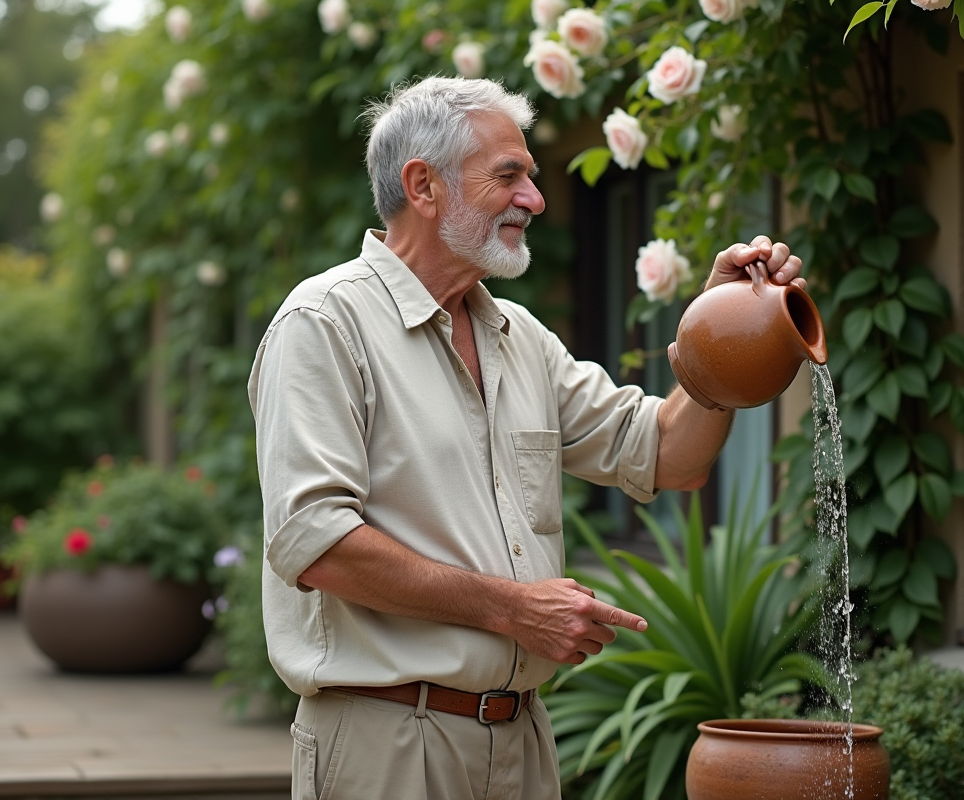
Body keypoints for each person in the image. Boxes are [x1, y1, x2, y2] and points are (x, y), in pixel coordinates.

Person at [248, 77, 805, 800]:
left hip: (521, 744)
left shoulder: (519, 338)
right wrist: (512, 608)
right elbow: (314, 542)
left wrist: (721, 330)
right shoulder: (324, 324)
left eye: (531, 180)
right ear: (424, 186)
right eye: (508, 176)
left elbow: (670, 455)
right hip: (388, 747)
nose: (535, 200)